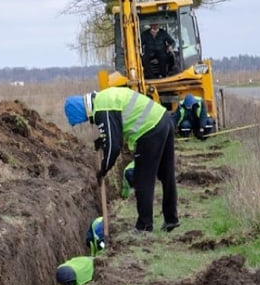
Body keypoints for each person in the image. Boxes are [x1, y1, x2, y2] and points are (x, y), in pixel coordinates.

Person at [64, 87, 179, 233]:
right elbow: (115, 130)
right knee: (167, 174)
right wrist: (103, 140)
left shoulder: (101, 109)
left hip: (150, 130)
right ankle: (171, 219)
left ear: (84, 112)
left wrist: (103, 169)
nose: (88, 122)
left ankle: (144, 226)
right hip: (163, 118)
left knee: (142, 180)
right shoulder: (104, 98)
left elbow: (114, 147)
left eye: (84, 119)